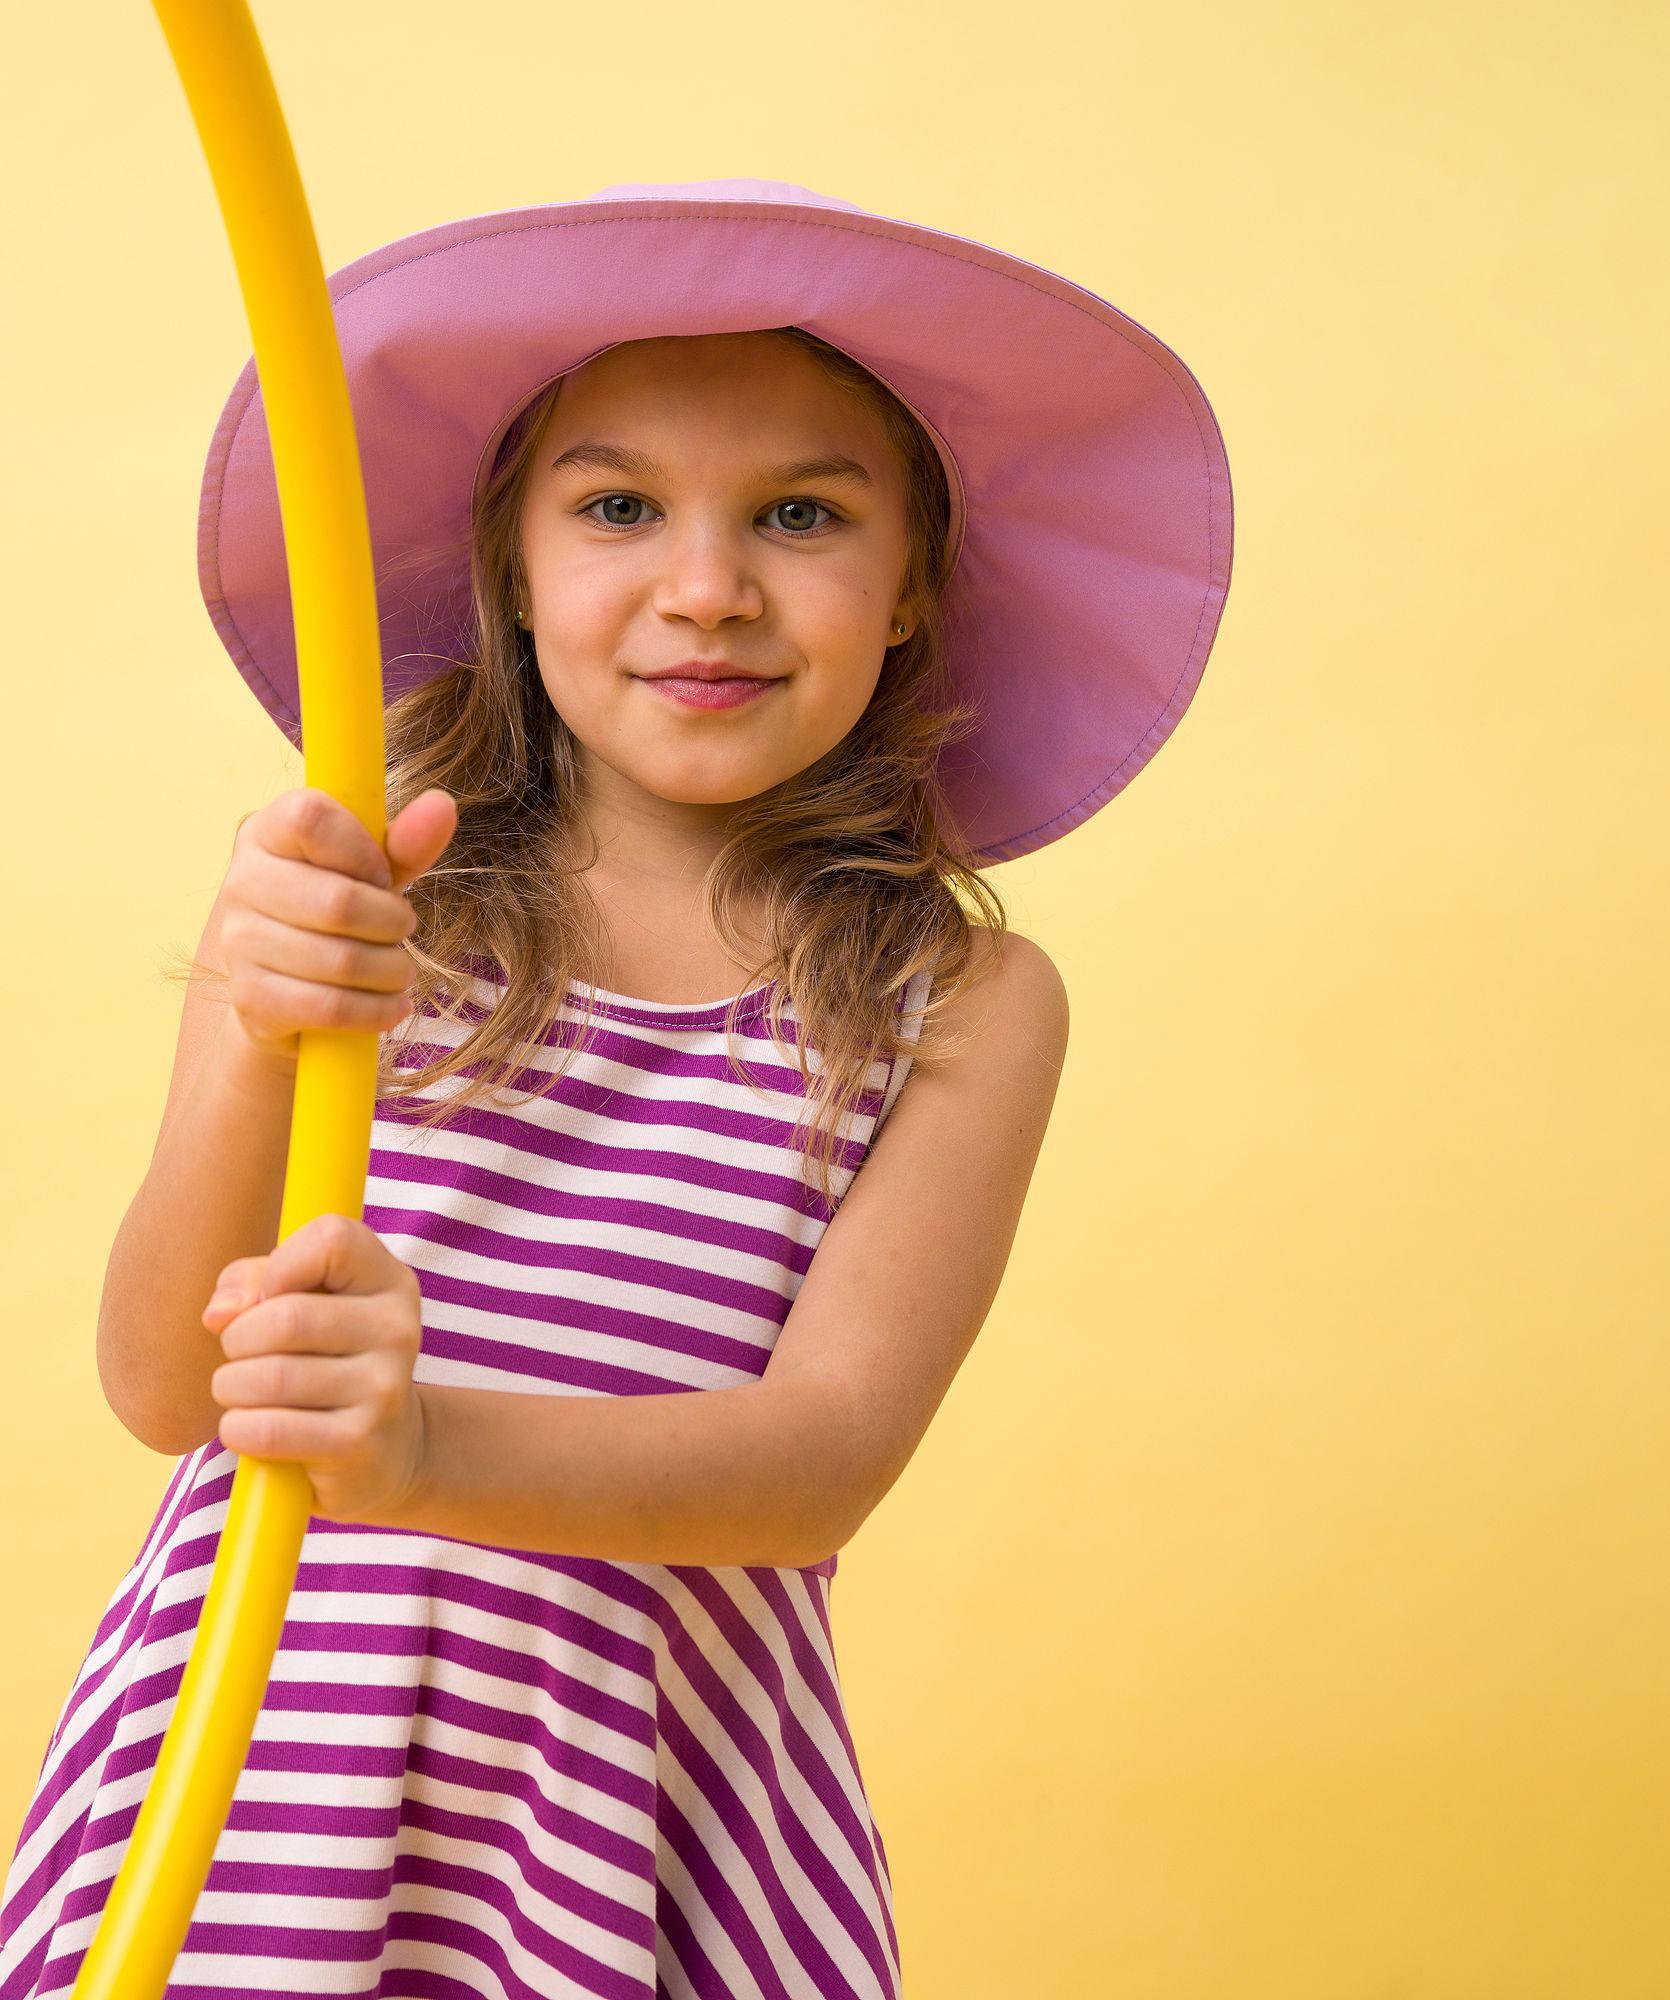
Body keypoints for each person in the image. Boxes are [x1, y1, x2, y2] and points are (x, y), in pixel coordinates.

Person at [0, 179, 1233, 1998]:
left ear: (909, 594)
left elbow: (818, 1464)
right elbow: (165, 1380)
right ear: (512, 567)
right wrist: (261, 1035)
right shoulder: (356, 897)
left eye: (802, 514)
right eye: (618, 507)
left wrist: (423, 1454)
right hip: (262, 1759)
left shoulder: (954, 999)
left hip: (638, 1800)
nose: (708, 587)